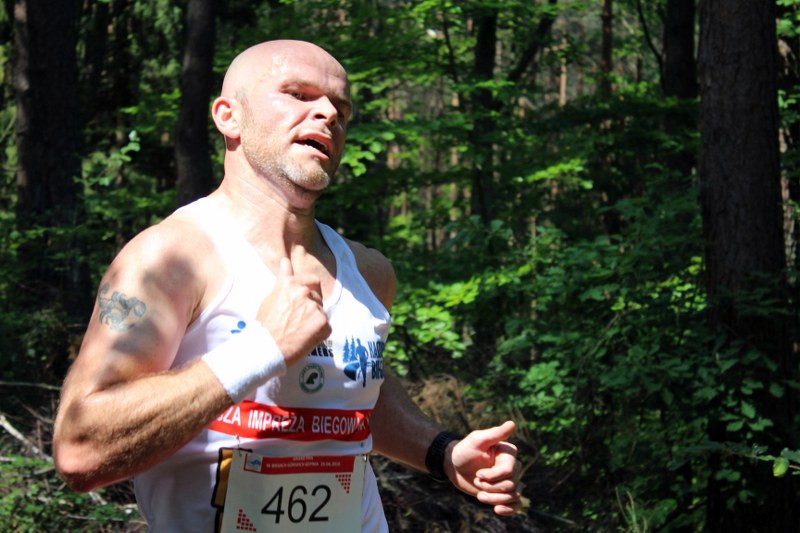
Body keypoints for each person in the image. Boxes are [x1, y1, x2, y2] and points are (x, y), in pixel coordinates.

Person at [53, 39, 522, 532]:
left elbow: (356, 392)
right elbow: (80, 450)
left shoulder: (368, 272)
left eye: (341, 109)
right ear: (229, 117)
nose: (328, 114)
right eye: (298, 94)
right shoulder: (171, 259)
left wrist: (442, 451)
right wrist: (260, 349)